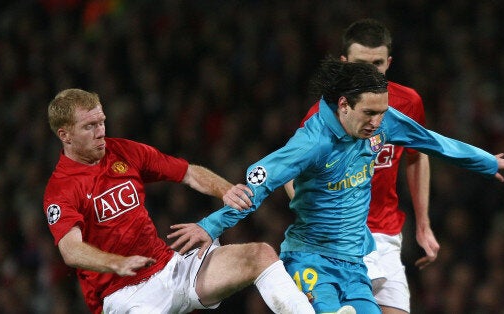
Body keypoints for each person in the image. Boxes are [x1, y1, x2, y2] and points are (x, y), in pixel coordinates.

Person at [169, 59, 504, 314]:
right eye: (369, 113)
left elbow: (432, 142)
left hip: (354, 263)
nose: (378, 122)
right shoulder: (312, 142)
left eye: (382, 112)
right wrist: (211, 224)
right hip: (310, 259)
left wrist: (486, 162)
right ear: (344, 105)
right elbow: (259, 183)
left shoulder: (383, 121)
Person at [42, 88, 314, 314]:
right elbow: (71, 251)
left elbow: (188, 173)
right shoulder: (61, 188)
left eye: (101, 121)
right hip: (122, 296)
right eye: (89, 126)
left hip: (170, 268)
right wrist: (116, 263)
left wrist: (226, 190)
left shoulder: (123, 151)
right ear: (64, 135)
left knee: (260, 254)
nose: (101, 131)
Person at [284, 18, 435, 314]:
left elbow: (418, 157)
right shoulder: (323, 116)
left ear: (389, 62)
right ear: (343, 62)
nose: (369, 72)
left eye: (377, 63)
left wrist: (424, 223)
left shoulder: (408, 103)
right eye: (359, 64)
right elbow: (291, 176)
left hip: (387, 232)